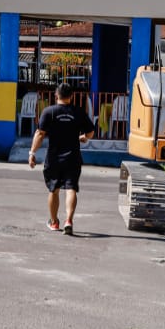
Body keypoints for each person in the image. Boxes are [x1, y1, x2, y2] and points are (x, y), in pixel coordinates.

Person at [28, 82, 95, 234]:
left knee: (54, 190)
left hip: (54, 158)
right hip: (73, 157)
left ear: (56, 95)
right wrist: (84, 137)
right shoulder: (78, 112)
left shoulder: (49, 112)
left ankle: (54, 222)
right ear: (71, 96)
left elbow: (40, 134)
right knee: (71, 189)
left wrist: (32, 153)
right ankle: (69, 220)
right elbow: (91, 131)